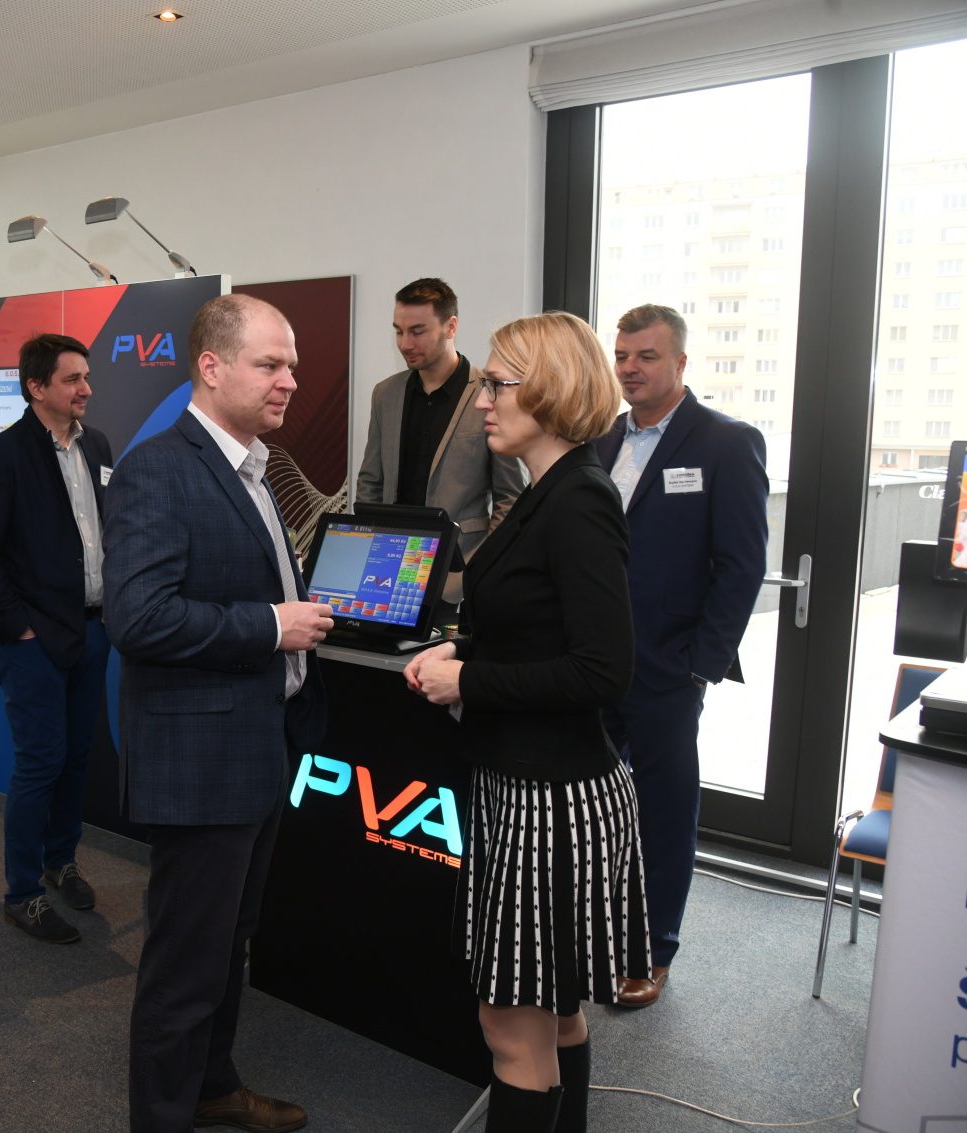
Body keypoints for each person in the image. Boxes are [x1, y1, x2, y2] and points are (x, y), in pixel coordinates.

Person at [405, 312, 647, 1133]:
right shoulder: (546, 491)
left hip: (554, 801)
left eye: (497, 383)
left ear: (551, 388)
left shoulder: (579, 499)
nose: (483, 400)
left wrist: (469, 677)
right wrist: (460, 654)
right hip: (531, 786)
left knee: (511, 1028)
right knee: (554, 1011)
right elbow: (535, 627)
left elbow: (603, 670)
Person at [105, 294, 332, 1133]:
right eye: (270, 364)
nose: (289, 380)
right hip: (199, 760)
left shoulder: (255, 467)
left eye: (292, 365)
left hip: (255, 746)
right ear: (211, 367)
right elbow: (138, 618)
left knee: (229, 942)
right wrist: (273, 625)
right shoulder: (158, 468)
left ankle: (212, 1084)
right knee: (185, 963)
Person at [592, 304, 768, 1008]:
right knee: (595, 809)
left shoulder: (726, 442)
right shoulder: (601, 440)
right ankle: (597, 934)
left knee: (663, 815)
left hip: (667, 669)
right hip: (593, 663)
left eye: (647, 356)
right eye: (622, 355)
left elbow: (742, 566)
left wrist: (700, 665)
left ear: (680, 363)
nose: (631, 368)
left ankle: (651, 950)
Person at [0, 333, 114, 944]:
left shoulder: (96, 445)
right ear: (36, 387)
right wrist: (17, 628)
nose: (86, 388)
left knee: (76, 756)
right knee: (40, 762)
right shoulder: (0, 455)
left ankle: (60, 862)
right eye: (73, 379)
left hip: (93, 629)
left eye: (86, 376)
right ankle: (22, 893)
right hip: (34, 641)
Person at [356, 277, 525, 599]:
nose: (405, 344)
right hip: (389, 569)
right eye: (399, 331)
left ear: (451, 327)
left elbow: (511, 496)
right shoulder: (386, 393)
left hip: (462, 570)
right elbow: (371, 482)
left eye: (418, 332)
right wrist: (372, 550)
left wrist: (482, 565)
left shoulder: (491, 393)